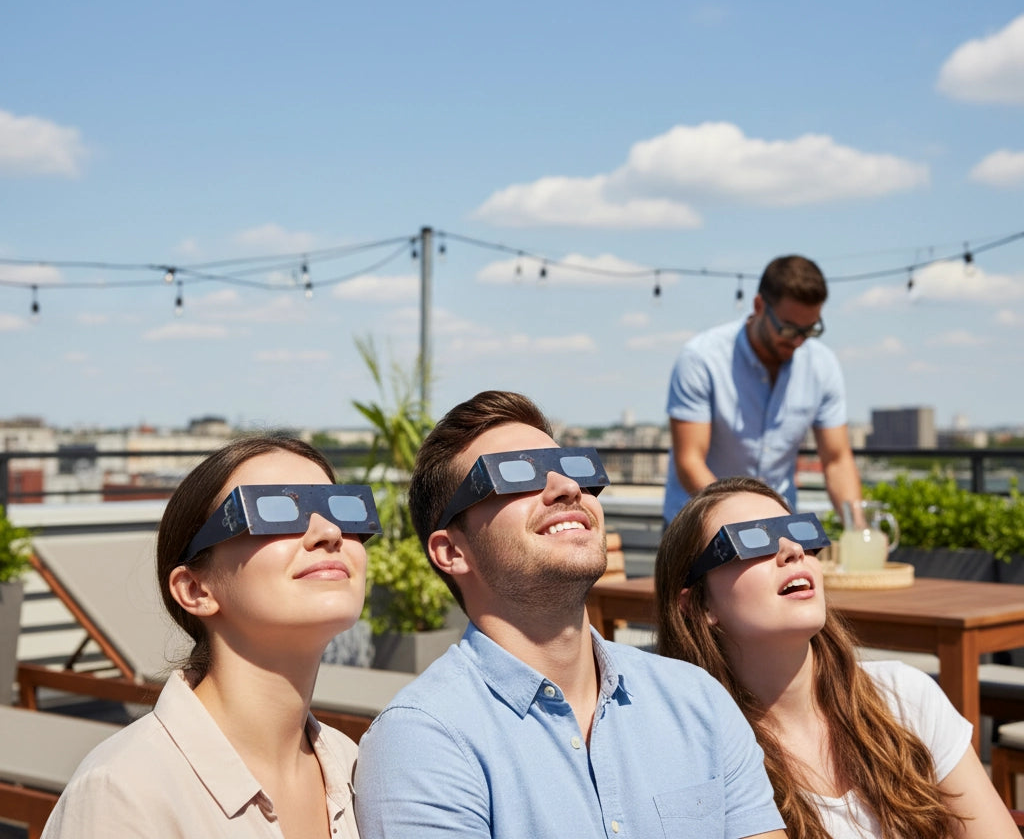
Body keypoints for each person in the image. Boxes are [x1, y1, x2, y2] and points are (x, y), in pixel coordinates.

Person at [355, 390, 786, 839]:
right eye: (515, 474)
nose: (567, 487)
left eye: (574, 469)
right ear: (452, 551)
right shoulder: (425, 740)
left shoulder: (698, 702)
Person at [43, 436, 379, 839]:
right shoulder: (124, 793)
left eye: (343, 510)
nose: (329, 532)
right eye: (274, 511)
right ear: (195, 590)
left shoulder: (356, 769)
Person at [654, 476, 1020, 839]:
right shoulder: (700, 758)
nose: (792, 550)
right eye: (751, 540)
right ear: (699, 604)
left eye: (799, 532)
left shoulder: (903, 697)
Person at [663, 253, 865, 527]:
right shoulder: (701, 359)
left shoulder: (822, 365)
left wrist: (858, 529)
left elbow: (837, 460)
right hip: (699, 529)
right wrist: (746, 522)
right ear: (759, 306)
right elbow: (690, 462)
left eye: (809, 330)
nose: (798, 342)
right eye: (788, 329)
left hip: (778, 529)